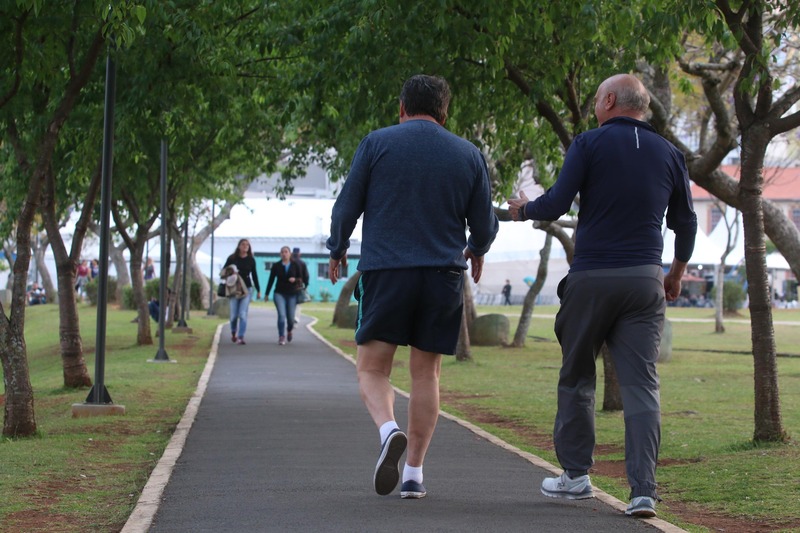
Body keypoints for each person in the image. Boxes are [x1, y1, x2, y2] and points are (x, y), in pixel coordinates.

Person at [507, 73, 697, 518]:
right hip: (644, 282)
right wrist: (675, 274)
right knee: (642, 385)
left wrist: (522, 211)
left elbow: (555, 204)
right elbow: (685, 223)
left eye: (596, 98)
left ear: (609, 100)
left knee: (576, 375)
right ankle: (643, 492)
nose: (595, 104)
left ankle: (575, 477)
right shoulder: (671, 154)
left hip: (592, 277)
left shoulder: (587, 144)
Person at [327, 74, 498, 499]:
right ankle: (414, 475)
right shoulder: (468, 154)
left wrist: (337, 247)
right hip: (442, 276)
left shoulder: (377, 143)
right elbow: (484, 223)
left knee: (371, 368)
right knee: (427, 375)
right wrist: (476, 248)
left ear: (401, 107)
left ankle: (389, 432)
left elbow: (347, 204)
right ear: (445, 112)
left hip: (387, 273)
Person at [221, 239, 261, 345]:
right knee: (234, 315)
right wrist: (231, 272)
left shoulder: (251, 260)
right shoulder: (232, 258)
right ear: (239, 246)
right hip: (234, 289)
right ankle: (233, 332)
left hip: (247, 289)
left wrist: (258, 289)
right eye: (243, 244)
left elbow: (255, 275)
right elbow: (223, 272)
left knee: (243, 314)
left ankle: (241, 336)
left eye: (247, 245)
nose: (245, 246)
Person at [264, 246, 304, 345]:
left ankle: (289, 330)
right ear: (280, 254)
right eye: (282, 252)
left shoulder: (295, 265)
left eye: (286, 252)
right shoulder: (276, 266)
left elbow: (301, 278)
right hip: (279, 293)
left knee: (291, 318)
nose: (284, 254)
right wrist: (267, 293)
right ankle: (281, 336)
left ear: (290, 254)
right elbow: (271, 280)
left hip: (292, 294)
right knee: (281, 315)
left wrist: (295, 279)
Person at [291, 247, 310, 324]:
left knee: (290, 302)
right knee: (298, 303)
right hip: (299, 285)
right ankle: (296, 318)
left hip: (289, 285)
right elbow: (306, 276)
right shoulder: (302, 263)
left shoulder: (289, 262)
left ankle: (291, 317)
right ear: (299, 254)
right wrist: (306, 285)